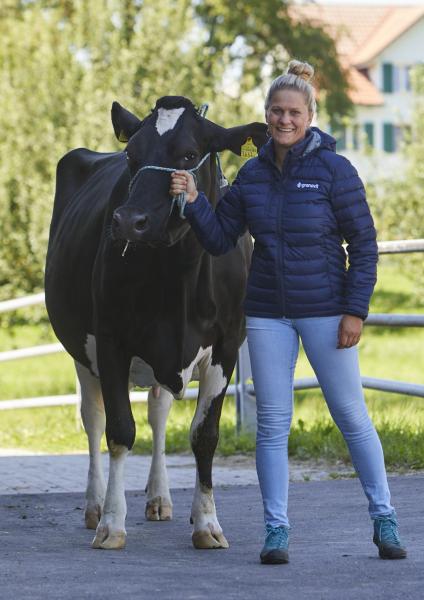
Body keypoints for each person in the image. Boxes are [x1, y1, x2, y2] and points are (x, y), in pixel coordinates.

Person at [170, 60, 407, 565]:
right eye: (277, 111)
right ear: (267, 115)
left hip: (327, 312)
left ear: (309, 116)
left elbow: (364, 245)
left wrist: (355, 311)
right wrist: (193, 201)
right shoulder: (252, 175)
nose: (284, 119)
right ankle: (276, 530)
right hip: (267, 315)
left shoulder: (335, 171)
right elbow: (220, 239)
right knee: (272, 424)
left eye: (294, 112)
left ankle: (384, 517)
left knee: (351, 417)